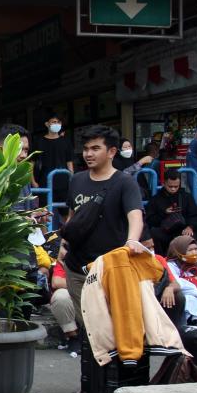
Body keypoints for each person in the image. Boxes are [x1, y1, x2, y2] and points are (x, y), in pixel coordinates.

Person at [60, 125, 145, 341]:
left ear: (112, 152)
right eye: (86, 148)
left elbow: (135, 215)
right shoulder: (77, 180)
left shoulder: (125, 183)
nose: (88, 154)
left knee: (112, 330)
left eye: (96, 148)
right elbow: (72, 216)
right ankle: (93, 370)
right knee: (91, 329)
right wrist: (63, 243)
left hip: (111, 271)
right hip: (77, 269)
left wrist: (132, 240)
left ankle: (111, 370)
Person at [146, 169, 197, 255]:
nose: (173, 189)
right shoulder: (156, 199)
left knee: (190, 236)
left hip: (183, 230)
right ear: (163, 183)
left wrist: (190, 227)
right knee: (154, 233)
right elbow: (150, 220)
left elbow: (194, 216)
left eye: (176, 186)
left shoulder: (186, 197)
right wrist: (164, 213)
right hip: (164, 231)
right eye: (170, 186)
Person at [35, 113, 74, 209]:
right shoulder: (39, 142)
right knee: (44, 215)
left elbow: (70, 164)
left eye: (58, 122)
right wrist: (33, 182)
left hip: (63, 182)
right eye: (53, 122)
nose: (56, 124)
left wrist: (72, 180)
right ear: (47, 124)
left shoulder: (66, 141)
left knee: (66, 213)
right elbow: (31, 164)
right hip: (44, 183)